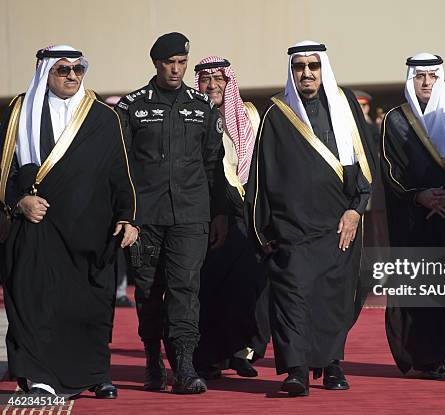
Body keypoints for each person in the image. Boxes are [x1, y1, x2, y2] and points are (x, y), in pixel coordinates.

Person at [0, 45, 138, 398]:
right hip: (37, 229)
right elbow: (5, 172)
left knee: (89, 307)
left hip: (91, 231)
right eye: (64, 70)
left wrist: (128, 216)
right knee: (34, 303)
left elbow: (120, 173)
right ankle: (40, 376)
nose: (72, 76)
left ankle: (96, 373)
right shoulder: (20, 112)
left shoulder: (102, 117)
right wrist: (20, 202)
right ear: (46, 72)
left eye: (78, 70)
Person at [245, 40, 376, 397]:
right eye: (300, 66)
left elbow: (365, 164)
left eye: (313, 66)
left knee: (333, 298)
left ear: (323, 70)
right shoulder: (276, 111)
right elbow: (261, 175)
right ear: (292, 70)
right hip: (293, 229)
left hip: (339, 225)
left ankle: (332, 365)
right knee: (293, 297)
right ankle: (297, 372)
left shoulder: (345, 104)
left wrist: (356, 208)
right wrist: (262, 229)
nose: (306, 73)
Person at [115, 32, 226, 394]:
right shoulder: (131, 106)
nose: (176, 70)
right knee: (149, 292)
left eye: (182, 63)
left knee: (185, 289)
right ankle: (151, 358)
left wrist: (218, 212)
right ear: (156, 64)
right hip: (146, 218)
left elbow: (213, 164)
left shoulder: (202, 106)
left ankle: (184, 366)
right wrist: (126, 214)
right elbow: (122, 167)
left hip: (191, 215)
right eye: (169, 63)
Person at [380, 53, 445, 378]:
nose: (426, 82)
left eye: (432, 76)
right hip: (413, 220)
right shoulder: (396, 119)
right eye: (420, 76)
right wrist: (418, 196)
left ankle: (443, 350)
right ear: (410, 78)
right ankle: (424, 354)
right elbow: (390, 170)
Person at [192, 56, 269, 379]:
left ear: (228, 81)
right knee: (210, 290)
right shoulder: (194, 117)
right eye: (206, 80)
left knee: (245, 287)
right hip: (206, 214)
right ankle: (210, 357)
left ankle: (241, 352)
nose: (212, 86)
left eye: (218, 79)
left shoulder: (249, 115)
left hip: (246, 214)